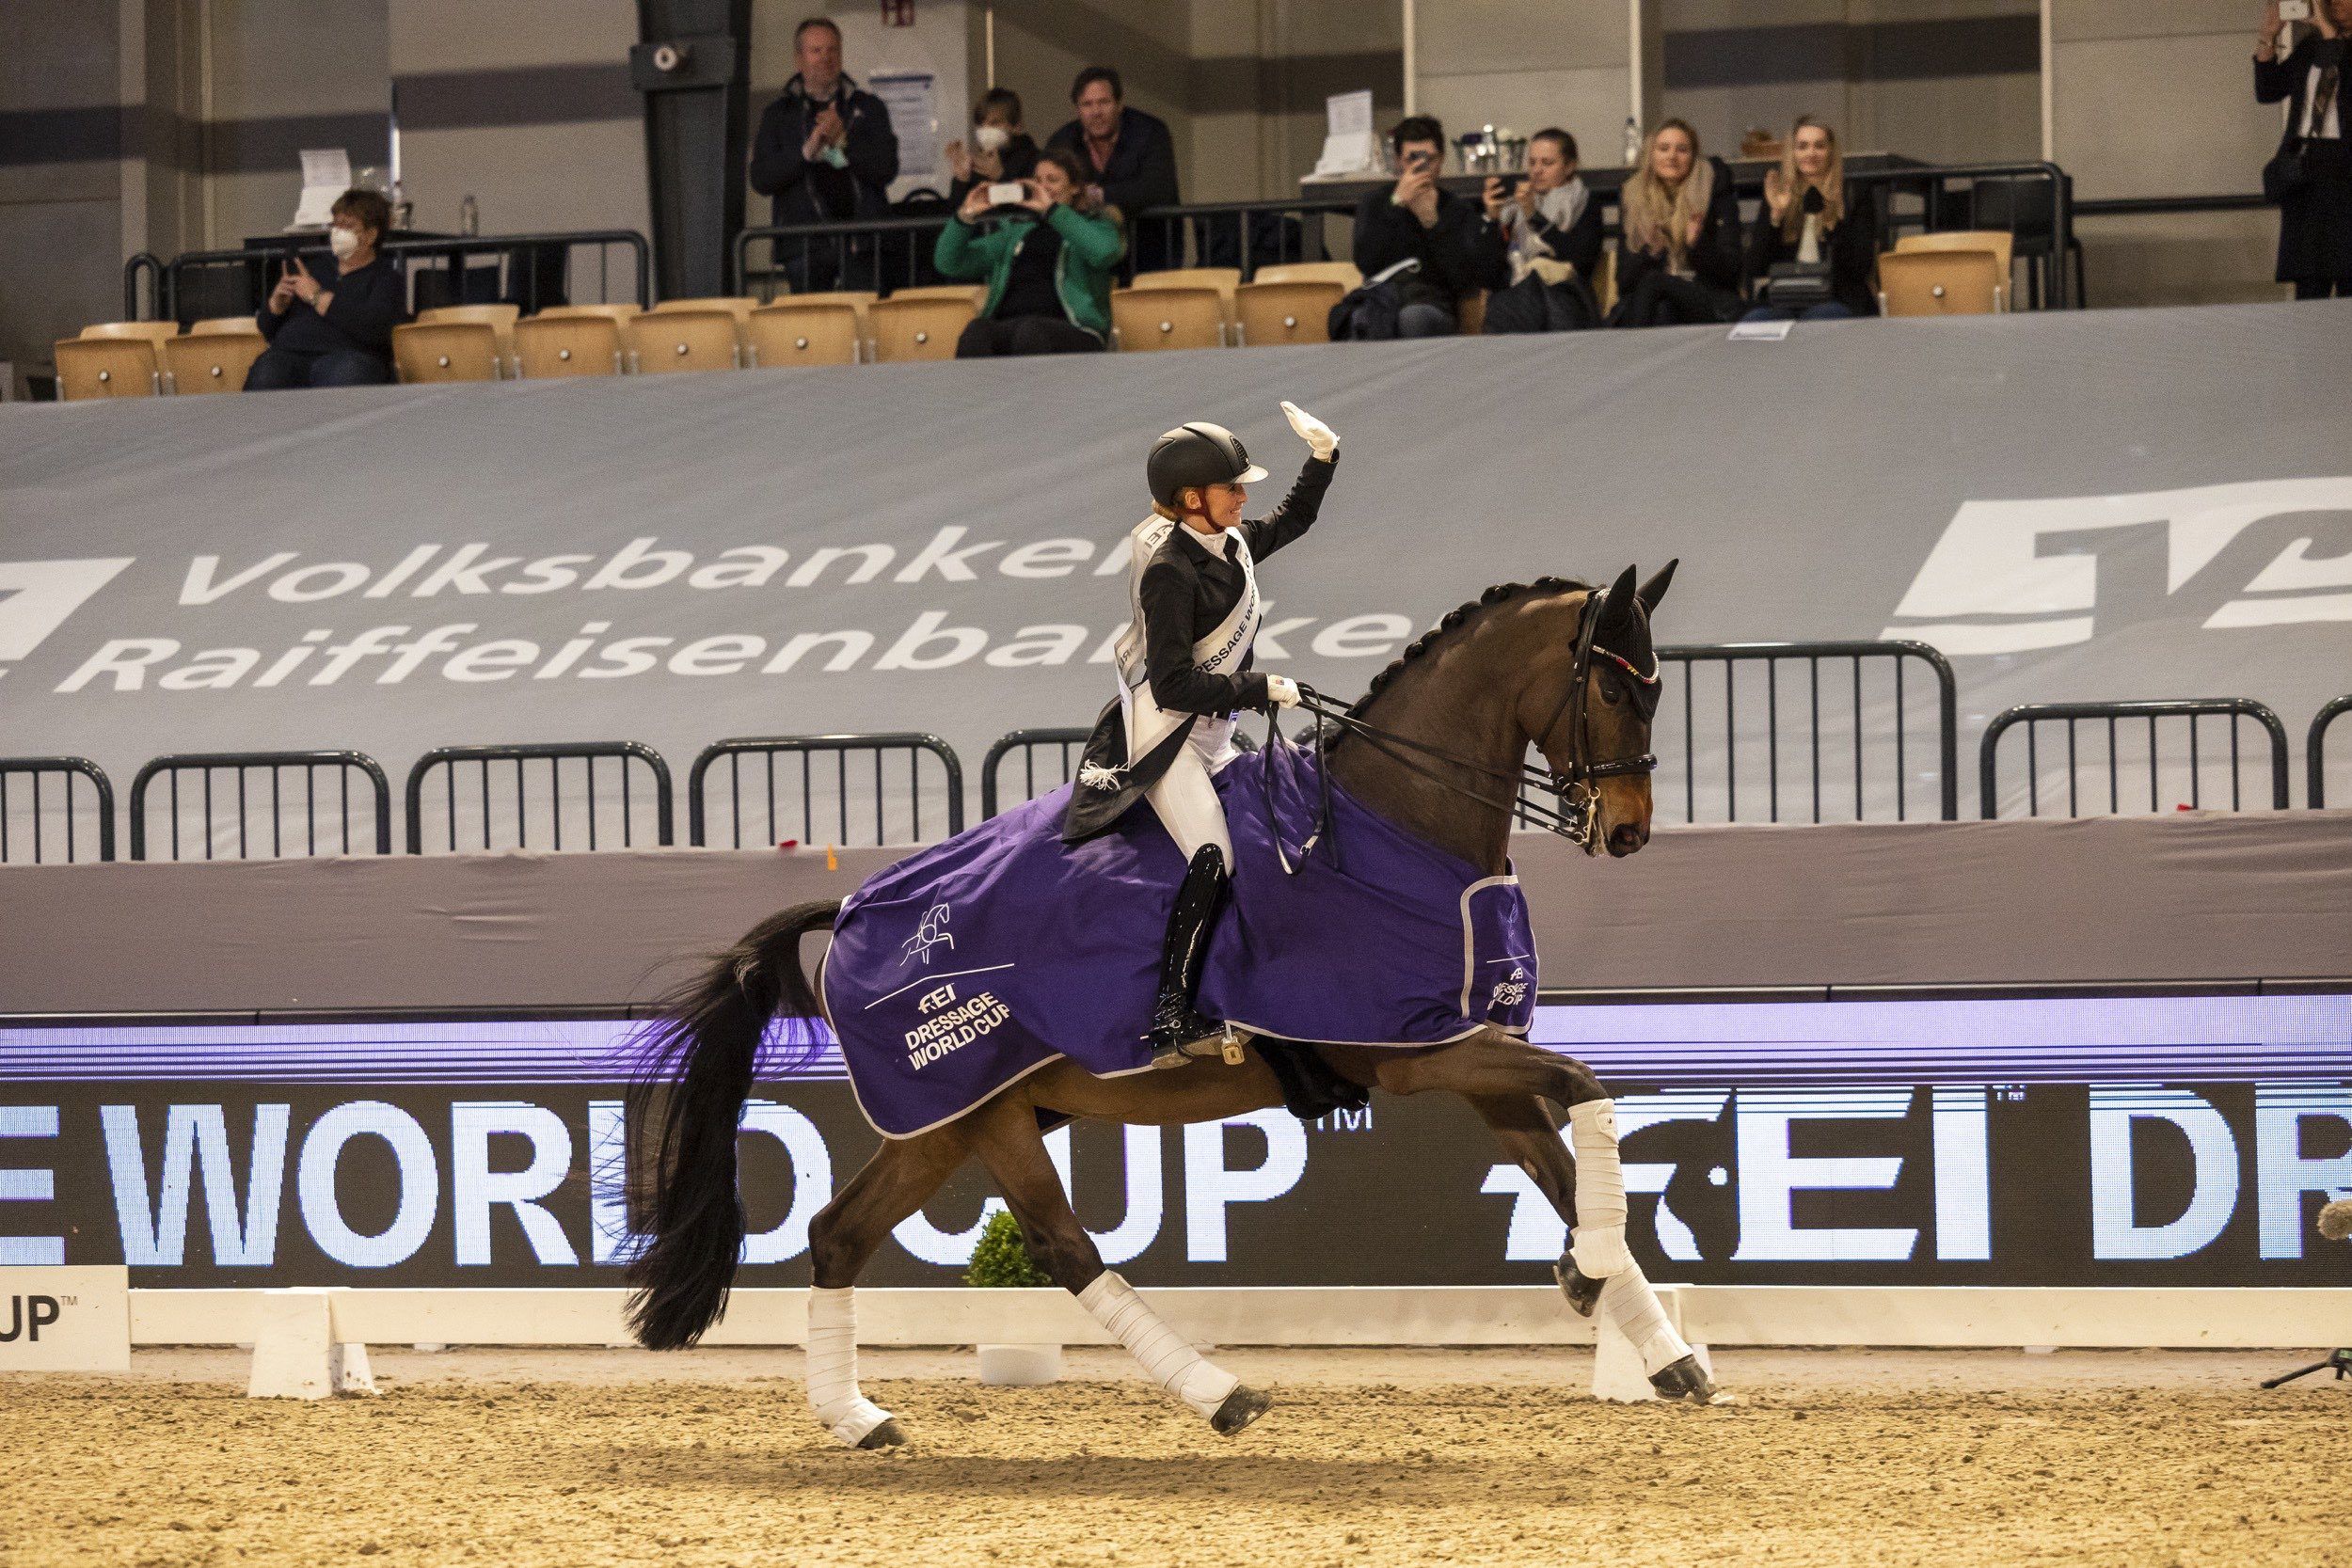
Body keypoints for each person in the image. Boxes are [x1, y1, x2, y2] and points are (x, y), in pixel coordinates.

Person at [1061, 404, 1342, 1066]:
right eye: (1231, 488)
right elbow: (1174, 686)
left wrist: (1323, 459)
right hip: (1169, 739)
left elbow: (1294, 519)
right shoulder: (1171, 571)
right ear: (1193, 499)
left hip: (1215, 733)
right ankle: (1170, 1015)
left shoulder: (1229, 544)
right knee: (1216, 854)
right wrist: (1258, 685)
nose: (1243, 497)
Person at [748, 17, 900, 293]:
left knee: (865, 315)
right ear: (799, 59)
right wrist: (805, 152)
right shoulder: (778, 114)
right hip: (804, 245)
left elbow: (886, 169)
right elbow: (761, 179)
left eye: (833, 50)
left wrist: (844, 143)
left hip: (863, 243)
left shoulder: (869, 107)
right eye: (816, 51)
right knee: (814, 319)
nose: (826, 58)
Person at [936, 147, 1125, 356]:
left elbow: (1105, 252)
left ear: (1074, 188)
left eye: (1052, 180)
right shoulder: (1016, 232)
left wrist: (1052, 210)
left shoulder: (1095, 225)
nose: (1043, 187)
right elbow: (949, 263)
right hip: (1012, 326)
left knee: (1031, 331)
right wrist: (966, 214)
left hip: (1075, 329)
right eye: (1037, 181)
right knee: (977, 332)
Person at [1347, 115, 1508, 338]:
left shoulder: (1456, 209)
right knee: (1361, 319)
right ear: (1398, 161)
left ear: (1441, 160)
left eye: (1429, 159)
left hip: (1433, 303)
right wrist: (1396, 204)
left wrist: (1433, 224)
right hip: (1383, 298)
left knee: (1413, 318)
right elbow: (1365, 261)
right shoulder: (1376, 203)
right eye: (1412, 159)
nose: (1421, 167)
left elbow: (1465, 279)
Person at [244, 188, 405, 390]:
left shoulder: (386, 278)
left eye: (348, 226)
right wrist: (276, 307)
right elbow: (267, 329)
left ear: (371, 235)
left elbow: (376, 330)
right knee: (266, 372)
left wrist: (318, 297)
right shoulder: (313, 270)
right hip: (290, 355)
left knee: (345, 373)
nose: (338, 232)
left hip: (348, 357)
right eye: (335, 225)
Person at [2257, 0, 2352, 298]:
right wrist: (2268, 37)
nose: (2336, 5)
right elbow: (2268, 91)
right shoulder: (2311, 48)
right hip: (2306, 168)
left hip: (2345, 170)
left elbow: (2343, 67)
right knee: (2309, 279)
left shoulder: (2334, 45)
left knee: (2348, 274)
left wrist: (2326, 29)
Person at [1609, 119, 1743, 327]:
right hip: (1652, 304)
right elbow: (1624, 283)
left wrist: (1697, 244)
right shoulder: (1633, 196)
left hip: (1704, 297)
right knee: (1662, 307)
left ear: (1693, 156)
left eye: (1682, 150)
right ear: (1651, 155)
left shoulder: (1713, 190)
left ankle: (1633, 346)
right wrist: (1651, 252)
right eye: (1663, 149)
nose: (1672, 156)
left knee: (1655, 284)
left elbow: (1730, 274)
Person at [1741, 116, 1879, 321]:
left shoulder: (1854, 194)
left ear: (1831, 151)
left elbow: (1860, 267)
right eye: (1802, 146)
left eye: (1819, 146)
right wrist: (1776, 218)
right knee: (1756, 320)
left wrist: (1834, 225)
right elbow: (1756, 267)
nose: (1810, 153)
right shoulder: (1778, 193)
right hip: (1785, 297)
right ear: (1792, 153)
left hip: (1836, 296)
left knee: (1824, 317)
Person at [1046, 67, 1181, 273]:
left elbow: (1158, 188)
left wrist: (1096, 196)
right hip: (1089, 259)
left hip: (1149, 254)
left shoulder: (1150, 132)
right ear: (1077, 109)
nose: (1096, 112)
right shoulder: (1063, 140)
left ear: (1119, 104)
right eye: (1087, 104)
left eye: (1104, 102)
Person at [1483, 127, 1603, 334]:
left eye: (1547, 163)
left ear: (1569, 166)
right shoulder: (1513, 208)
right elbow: (1489, 273)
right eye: (1532, 162)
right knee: (1512, 299)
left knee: (1527, 296)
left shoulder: (1584, 203)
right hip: (1517, 295)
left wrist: (1535, 217)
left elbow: (1580, 262)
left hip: (1565, 294)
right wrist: (1492, 220)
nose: (1537, 170)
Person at [945, 87, 1040, 209]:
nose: (986, 129)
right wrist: (962, 179)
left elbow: (1031, 207)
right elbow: (958, 213)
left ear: (1016, 126)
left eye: (994, 123)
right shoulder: (977, 163)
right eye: (981, 124)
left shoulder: (1035, 161)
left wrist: (1000, 176)